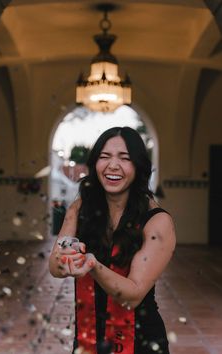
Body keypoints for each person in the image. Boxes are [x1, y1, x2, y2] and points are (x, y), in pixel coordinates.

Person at [49, 126, 176, 354]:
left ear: (138, 166)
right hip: (88, 337)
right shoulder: (80, 208)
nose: (113, 165)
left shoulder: (158, 222)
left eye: (124, 158)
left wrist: (92, 265)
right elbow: (55, 266)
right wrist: (66, 257)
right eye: (104, 157)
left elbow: (134, 295)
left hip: (140, 342)